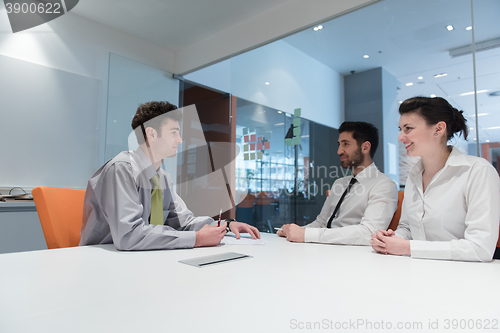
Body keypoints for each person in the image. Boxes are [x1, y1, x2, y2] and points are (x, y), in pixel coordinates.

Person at [80, 101, 260, 250]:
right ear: (151, 134)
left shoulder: (162, 177)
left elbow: (183, 221)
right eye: (174, 132)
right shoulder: (122, 169)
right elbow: (129, 236)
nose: (180, 140)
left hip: (141, 260)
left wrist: (225, 226)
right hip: (105, 263)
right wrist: (196, 239)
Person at [371, 96, 500, 262]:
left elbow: (480, 249)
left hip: (465, 278)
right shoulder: (414, 175)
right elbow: (408, 228)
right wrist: (391, 239)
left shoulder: (478, 171)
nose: (400, 137)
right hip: (418, 270)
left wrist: (408, 247)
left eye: (408, 128)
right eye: (400, 129)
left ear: (438, 129)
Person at [278, 121, 398, 245]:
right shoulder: (339, 183)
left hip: (352, 257)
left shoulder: (384, 185)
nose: (339, 151)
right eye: (339, 144)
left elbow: (369, 233)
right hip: (325, 249)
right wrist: (293, 232)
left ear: (365, 147)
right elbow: (321, 223)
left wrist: (305, 235)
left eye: (346, 144)